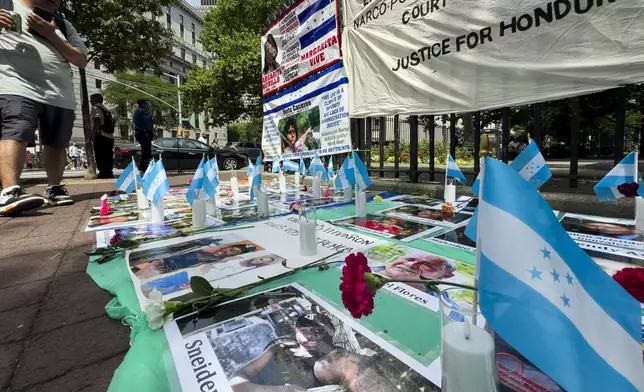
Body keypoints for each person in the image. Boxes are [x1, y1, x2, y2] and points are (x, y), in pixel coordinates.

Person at [0, 0, 88, 215]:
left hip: (59, 92)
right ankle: (10, 191)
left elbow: (81, 59)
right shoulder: (5, 4)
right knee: (16, 129)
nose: (56, 0)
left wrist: (51, 34)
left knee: (57, 142)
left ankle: (55, 187)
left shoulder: (62, 24)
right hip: (16, 84)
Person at [231, 311, 399, 392]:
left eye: (318, 331)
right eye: (304, 331)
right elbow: (235, 382)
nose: (311, 336)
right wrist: (283, 390)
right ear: (295, 332)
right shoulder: (280, 350)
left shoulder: (333, 355)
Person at [90, 93, 114, 178]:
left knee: (100, 154)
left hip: (100, 135)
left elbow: (97, 120)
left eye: (91, 99)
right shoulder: (107, 110)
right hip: (109, 136)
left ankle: (103, 173)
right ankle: (108, 172)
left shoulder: (95, 108)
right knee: (108, 155)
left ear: (96, 100)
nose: (90, 100)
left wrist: (93, 133)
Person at [132, 99, 154, 174]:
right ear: (144, 104)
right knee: (146, 151)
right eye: (147, 104)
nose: (148, 105)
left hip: (140, 133)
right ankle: (143, 168)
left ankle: (143, 167)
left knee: (145, 151)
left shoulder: (137, 112)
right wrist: (149, 132)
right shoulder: (142, 112)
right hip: (143, 133)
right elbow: (148, 123)